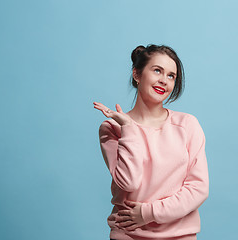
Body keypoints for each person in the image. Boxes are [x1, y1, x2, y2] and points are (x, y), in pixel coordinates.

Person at [93, 44, 209, 240]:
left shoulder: (188, 124)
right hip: (128, 234)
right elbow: (128, 183)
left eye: (171, 76)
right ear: (137, 74)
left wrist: (149, 213)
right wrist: (129, 129)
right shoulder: (112, 128)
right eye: (157, 70)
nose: (164, 80)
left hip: (179, 235)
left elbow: (198, 188)